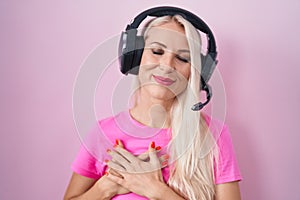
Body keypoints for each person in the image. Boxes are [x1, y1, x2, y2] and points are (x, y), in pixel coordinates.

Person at [64, 6, 242, 200]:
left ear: (195, 72)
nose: (166, 66)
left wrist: (155, 189)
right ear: (135, 56)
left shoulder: (213, 135)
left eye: (182, 58)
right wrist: (108, 187)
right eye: (157, 51)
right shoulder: (103, 133)